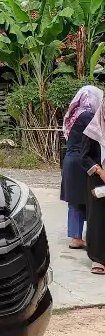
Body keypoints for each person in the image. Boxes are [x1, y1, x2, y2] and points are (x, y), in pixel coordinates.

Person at [61, 85, 103, 249]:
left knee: (75, 200)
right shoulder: (88, 116)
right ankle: (89, 238)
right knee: (91, 199)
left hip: (71, 160)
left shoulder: (74, 114)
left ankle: (76, 237)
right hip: (82, 161)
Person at [81, 100, 105, 274]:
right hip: (98, 179)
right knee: (97, 218)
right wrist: (100, 171)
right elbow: (84, 157)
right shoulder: (92, 130)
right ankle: (98, 259)